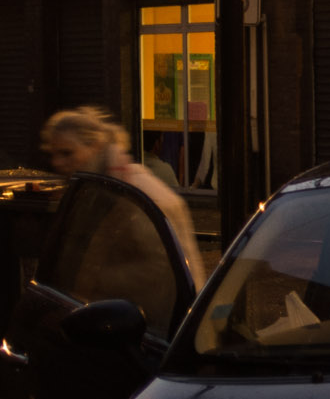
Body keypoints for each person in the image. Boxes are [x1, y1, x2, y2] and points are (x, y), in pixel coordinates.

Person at [41, 107, 207, 288]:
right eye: (53, 155)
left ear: (95, 146)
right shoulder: (106, 187)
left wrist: (94, 281)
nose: (57, 163)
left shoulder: (134, 195)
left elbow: (163, 270)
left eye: (67, 153)